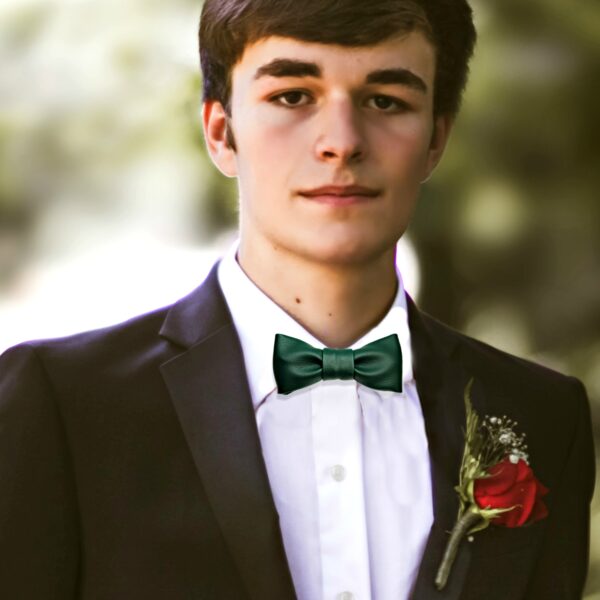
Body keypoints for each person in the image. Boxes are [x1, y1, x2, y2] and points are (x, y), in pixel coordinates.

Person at [0, 0, 595, 598]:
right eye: (292, 96)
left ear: (436, 139)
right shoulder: (61, 404)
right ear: (220, 132)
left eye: (386, 101)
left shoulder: (544, 419)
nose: (341, 142)